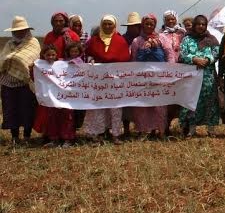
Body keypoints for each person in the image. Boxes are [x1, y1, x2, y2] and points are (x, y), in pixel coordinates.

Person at [83, 15, 130, 144]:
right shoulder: (94, 40)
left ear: (115, 26)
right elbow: (88, 54)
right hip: (99, 80)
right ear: (101, 25)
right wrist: (90, 59)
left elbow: (125, 58)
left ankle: (115, 134)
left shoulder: (120, 41)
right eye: (105, 24)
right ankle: (97, 134)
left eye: (110, 24)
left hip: (115, 81)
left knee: (115, 107)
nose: (107, 26)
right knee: (98, 106)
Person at [179, 15, 221, 137]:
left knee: (211, 102)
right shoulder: (187, 39)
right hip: (192, 77)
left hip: (208, 77)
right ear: (194, 25)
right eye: (198, 24)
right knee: (192, 102)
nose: (201, 26)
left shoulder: (212, 39)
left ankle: (211, 129)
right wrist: (194, 59)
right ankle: (192, 128)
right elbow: (182, 55)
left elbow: (217, 53)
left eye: (203, 24)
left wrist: (207, 60)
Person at [1, 16, 40, 145]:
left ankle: (27, 136)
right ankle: (15, 136)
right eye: (16, 31)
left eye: (22, 30)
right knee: (11, 109)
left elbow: (31, 58)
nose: (19, 32)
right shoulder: (9, 44)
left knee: (27, 109)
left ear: (27, 30)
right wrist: (12, 59)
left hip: (25, 82)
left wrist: (13, 59)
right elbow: (3, 60)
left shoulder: (33, 42)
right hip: (8, 82)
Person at [129, 14, 168, 138]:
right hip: (142, 77)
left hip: (159, 76)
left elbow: (169, 54)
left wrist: (171, 72)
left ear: (155, 25)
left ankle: (160, 131)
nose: (149, 26)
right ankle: (143, 131)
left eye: (152, 24)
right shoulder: (137, 41)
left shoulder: (162, 38)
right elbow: (134, 59)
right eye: (147, 24)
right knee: (143, 105)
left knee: (160, 104)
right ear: (142, 25)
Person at [38, 44, 74, 148]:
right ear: (43, 55)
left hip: (65, 97)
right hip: (51, 98)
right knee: (52, 118)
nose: (50, 57)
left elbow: (79, 62)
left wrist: (74, 62)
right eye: (48, 55)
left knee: (67, 117)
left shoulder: (63, 63)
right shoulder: (40, 66)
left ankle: (67, 139)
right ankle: (54, 139)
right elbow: (35, 77)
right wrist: (32, 67)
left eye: (53, 54)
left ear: (57, 54)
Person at [159, 10, 188, 135]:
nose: (170, 21)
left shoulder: (183, 33)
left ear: (176, 19)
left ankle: (185, 126)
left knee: (183, 98)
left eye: (172, 19)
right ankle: (165, 126)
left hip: (183, 71)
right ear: (164, 21)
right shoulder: (160, 35)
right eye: (168, 19)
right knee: (168, 99)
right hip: (167, 73)